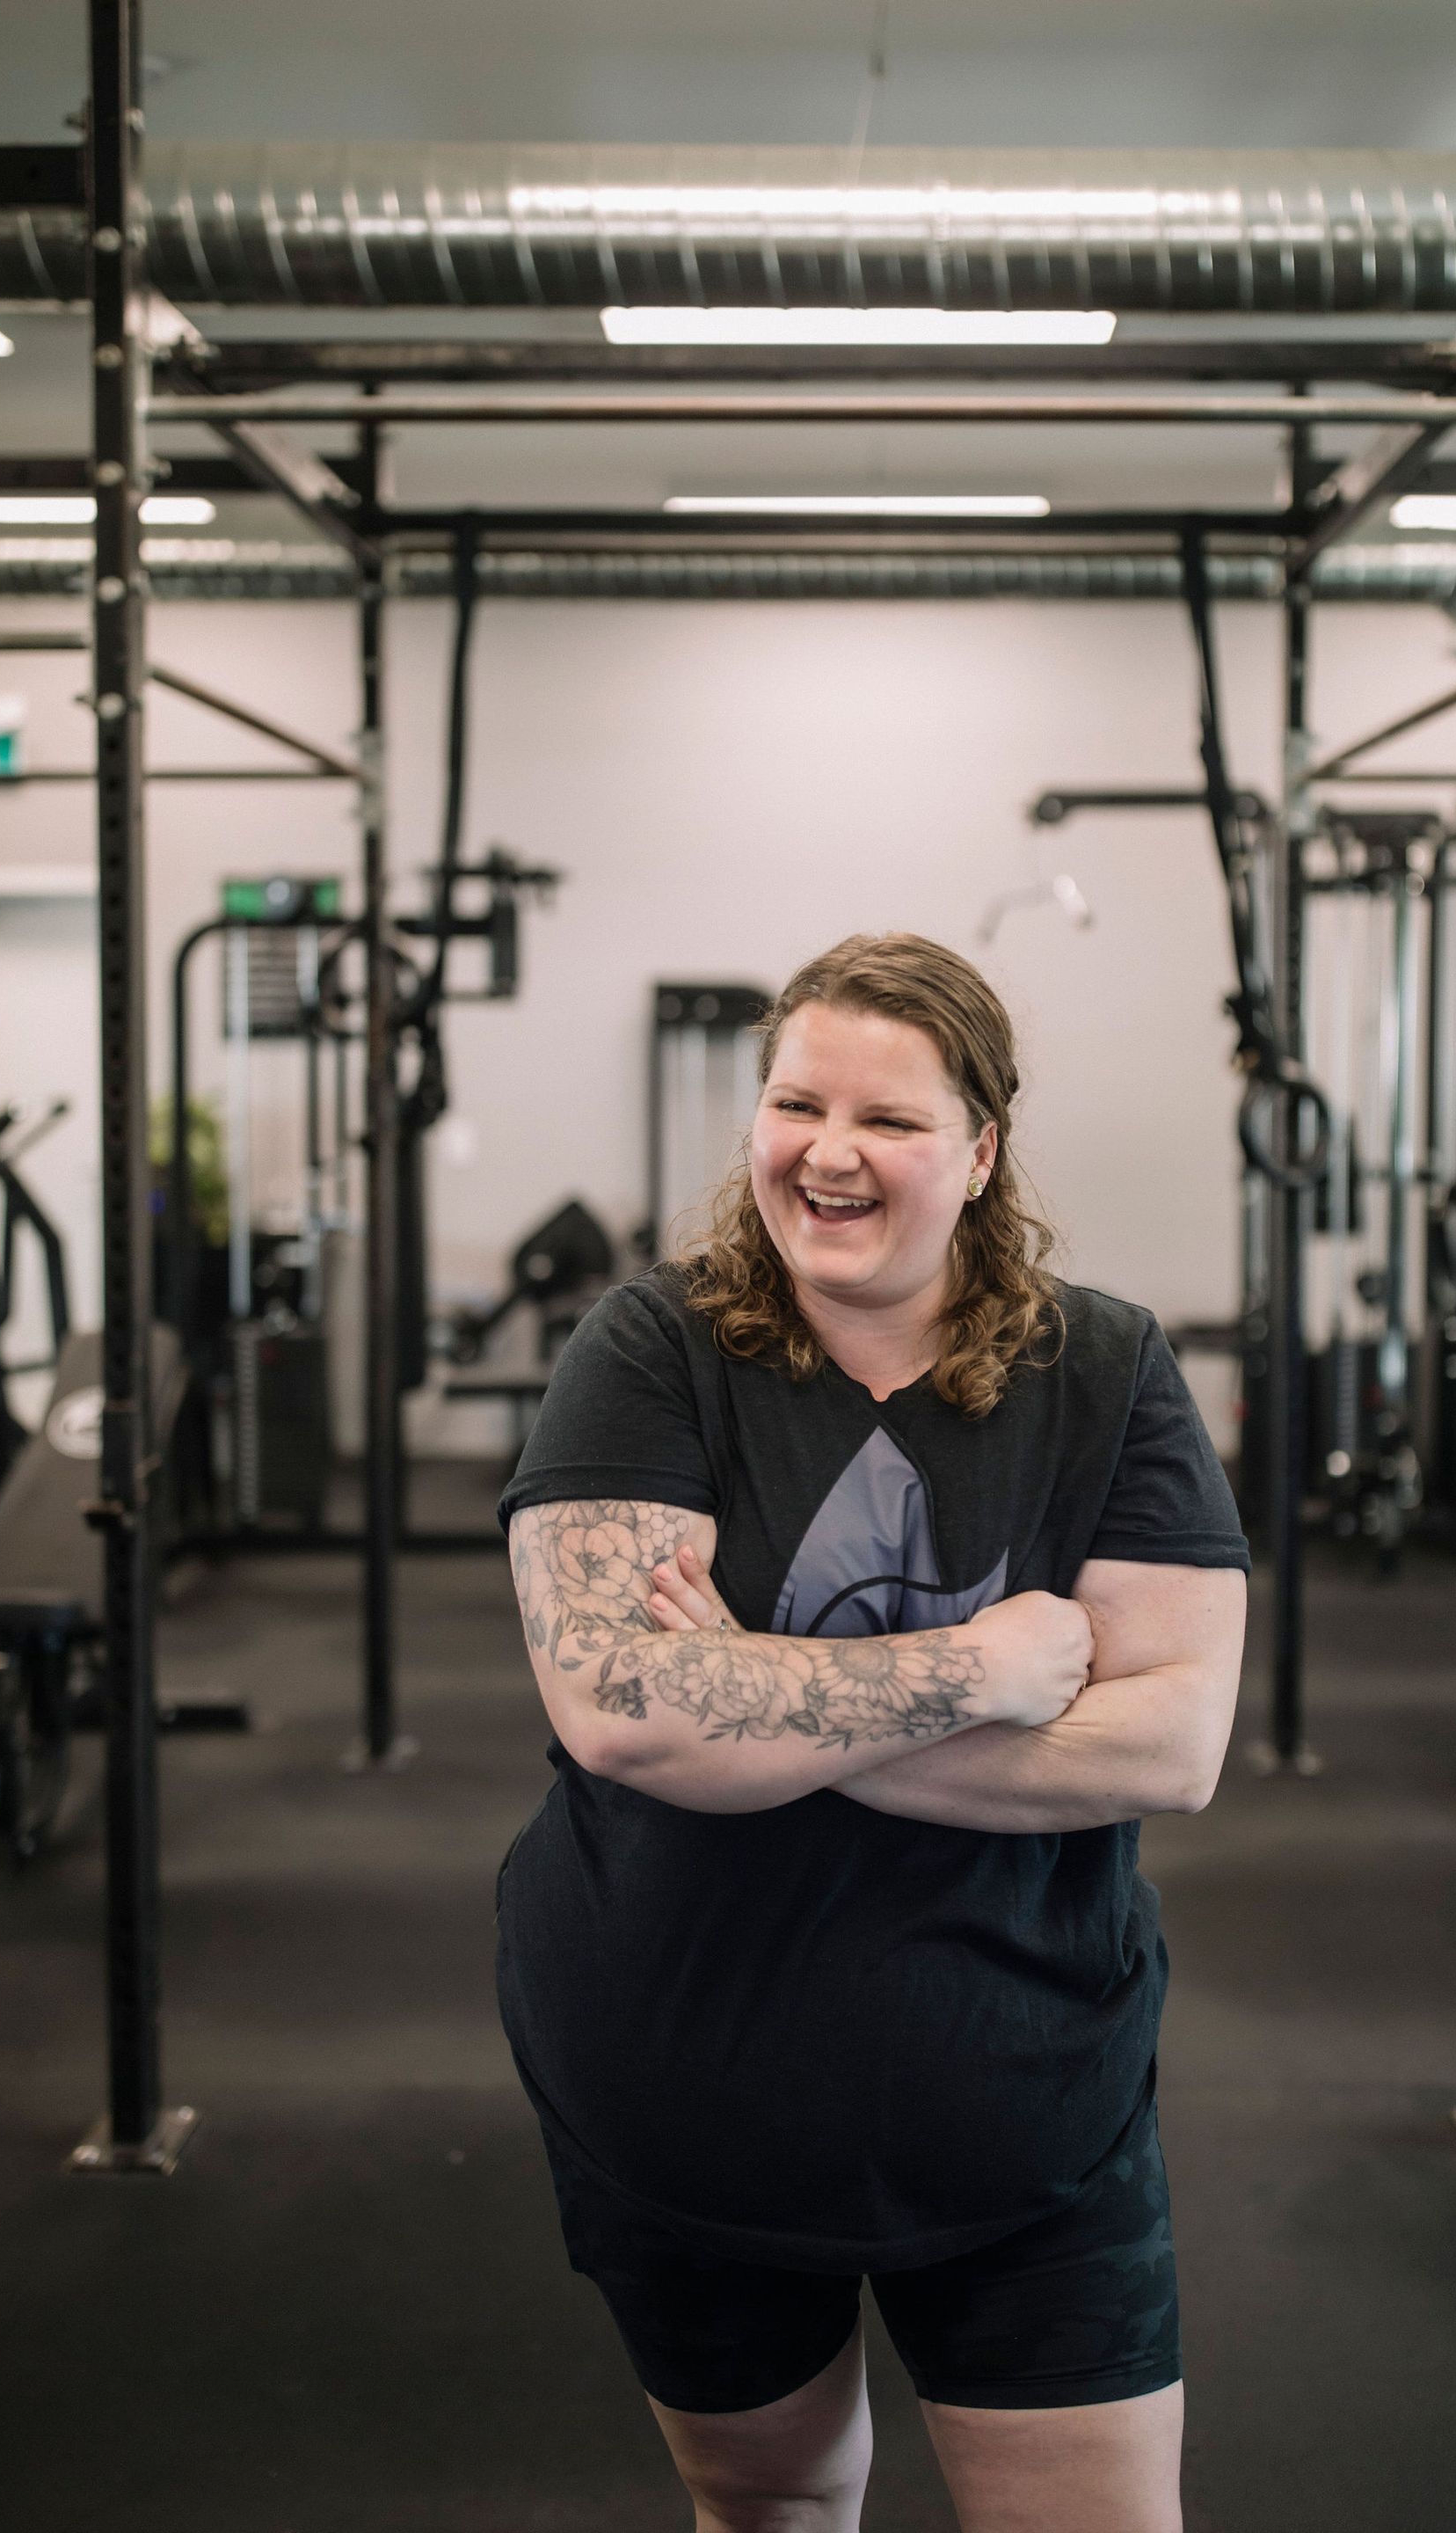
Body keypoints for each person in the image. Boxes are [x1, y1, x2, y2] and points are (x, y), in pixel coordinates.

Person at [497, 932, 1249, 2533]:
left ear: (978, 1151)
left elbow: (1171, 1743)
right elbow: (619, 1710)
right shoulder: (650, 1350)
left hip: (1026, 2089)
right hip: (684, 2087)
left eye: (891, 1120)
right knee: (773, 2509)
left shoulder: (1104, 1369)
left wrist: (754, 1699)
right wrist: (983, 1665)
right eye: (795, 1103)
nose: (828, 1151)